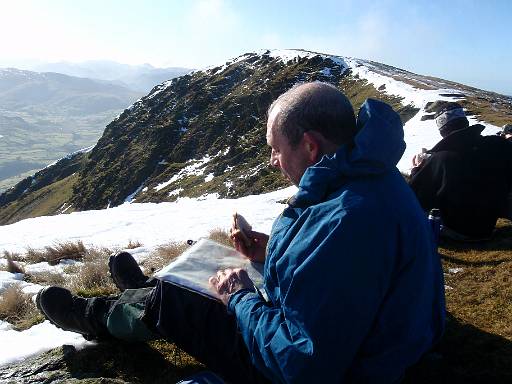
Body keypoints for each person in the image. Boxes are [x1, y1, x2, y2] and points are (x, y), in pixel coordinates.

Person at [36, 82, 445, 383]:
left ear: (309, 146)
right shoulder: (370, 180)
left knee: (179, 299)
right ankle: (141, 295)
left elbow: (302, 363)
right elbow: (336, 269)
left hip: (340, 372)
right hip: (372, 344)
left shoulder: (349, 218)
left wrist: (239, 298)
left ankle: (96, 317)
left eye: (275, 148)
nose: (271, 160)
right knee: (201, 270)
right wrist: (273, 252)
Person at [409, 102, 512, 241]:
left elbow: (416, 194)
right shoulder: (497, 145)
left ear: (442, 129)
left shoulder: (441, 157)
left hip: (456, 230)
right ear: (465, 121)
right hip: (487, 227)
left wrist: (416, 169)